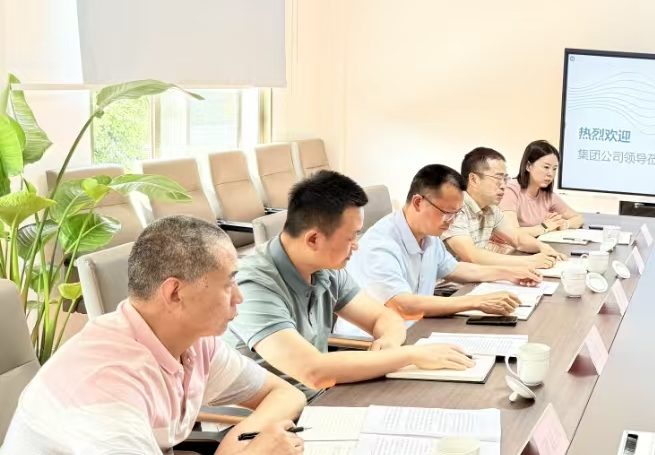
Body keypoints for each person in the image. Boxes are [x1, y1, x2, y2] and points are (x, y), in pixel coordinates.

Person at [0, 216, 308, 455]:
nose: (239, 298)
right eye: (228, 283)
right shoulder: (106, 375)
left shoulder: (192, 342)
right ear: (175, 292)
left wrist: (241, 443)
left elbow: (282, 393)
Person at [224, 170, 473, 397]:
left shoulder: (325, 267)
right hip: (273, 418)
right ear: (313, 239)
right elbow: (313, 371)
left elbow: (385, 318)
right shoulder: (251, 285)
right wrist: (409, 355)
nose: (356, 246)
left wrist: (388, 343)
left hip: (323, 397)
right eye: (351, 237)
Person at [349, 164, 543, 320]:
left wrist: (510, 274)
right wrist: (477, 302)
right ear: (418, 202)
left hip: (415, 328)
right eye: (447, 212)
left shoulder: (429, 235)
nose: (451, 220)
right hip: (372, 343)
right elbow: (402, 305)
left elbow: (454, 269)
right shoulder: (381, 244)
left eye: (456, 213)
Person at [444, 147, 563, 269]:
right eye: (498, 178)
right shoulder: (454, 208)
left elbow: (517, 238)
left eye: (505, 179)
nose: (503, 186)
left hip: (477, 276)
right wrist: (530, 261)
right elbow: (472, 255)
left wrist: (543, 247)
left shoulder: (491, 209)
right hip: (453, 281)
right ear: (474, 179)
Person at [501, 140, 584, 238]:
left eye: (554, 168)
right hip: (507, 247)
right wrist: (545, 227)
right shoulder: (510, 190)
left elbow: (578, 218)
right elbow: (512, 232)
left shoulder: (547, 195)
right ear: (528, 166)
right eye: (546, 167)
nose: (551, 174)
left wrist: (564, 224)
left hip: (533, 244)